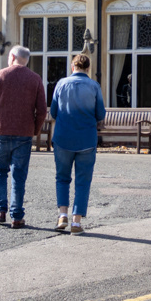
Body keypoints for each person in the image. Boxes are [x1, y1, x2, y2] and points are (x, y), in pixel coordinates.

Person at [0, 46, 47, 228]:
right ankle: (17, 216)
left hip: (0, 132)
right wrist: (34, 129)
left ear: (11, 56)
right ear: (27, 59)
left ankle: (0, 211)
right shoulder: (35, 79)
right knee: (19, 175)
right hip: (24, 132)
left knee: (0, 172)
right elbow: (42, 110)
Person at [49, 53, 106, 234]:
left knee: (62, 177)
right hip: (86, 139)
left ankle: (62, 214)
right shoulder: (94, 86)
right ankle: (76, 221)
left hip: (63, 138)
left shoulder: (61, 84)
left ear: (72, 66)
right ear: (88, 68)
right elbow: (100, 114)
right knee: (83, 180)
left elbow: (54, 112)